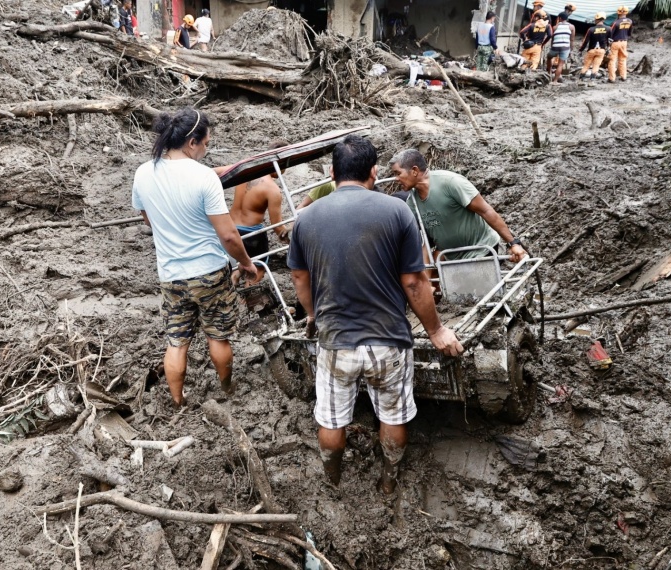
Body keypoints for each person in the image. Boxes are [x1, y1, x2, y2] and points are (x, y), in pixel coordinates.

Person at [288, 135, 464, 494]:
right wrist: (436, 331)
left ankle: (333, 478)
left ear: (333, 173)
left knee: (331, 418)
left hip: (336, 340)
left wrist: (311, 316)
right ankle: (389, 480)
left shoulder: (305, 219)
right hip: (388, 339)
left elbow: (298, 278)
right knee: (393, 414)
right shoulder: (396, 210)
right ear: (372, 172)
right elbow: (415, 282)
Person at [131, 108, 258, 406]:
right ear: (192, 143)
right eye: (206, 144)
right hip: (209, 272)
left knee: (176, 342)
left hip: (171, 274)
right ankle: (227, 388)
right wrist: (246, 263)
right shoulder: (203, 178)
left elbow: (148, 220)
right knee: (218, 337)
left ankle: (177, 400)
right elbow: (228, 235)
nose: (206, 149)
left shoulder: (143, 172)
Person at [388, 149, 528, 263]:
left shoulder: (450, 183)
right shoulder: (412, 201)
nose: (396, 179)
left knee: (476, 295)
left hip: (480, 249)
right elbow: (422, 239)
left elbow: (486, 211)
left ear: (414, 170)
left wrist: (513, 243)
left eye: (397, 173)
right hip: (451, 256)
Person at [218, 140, 293, 278]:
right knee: (256, 273)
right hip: (252, 237)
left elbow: (215, 171)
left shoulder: (244, 172)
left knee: (233, 270)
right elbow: (278, 228)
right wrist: (292, 238)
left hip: (231, 229)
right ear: (281, 162)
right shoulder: (273, 190)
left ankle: (237, 281)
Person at [579, 12, 611, 79]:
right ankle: (592, 81)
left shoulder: (591, 29)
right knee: (596, 66)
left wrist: (581, 50)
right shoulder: (608, 29)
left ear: (597, 19)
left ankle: (581, 80)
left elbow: (585, 41)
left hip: (591, 50)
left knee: (586, 65)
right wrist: (608, 48)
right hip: (601, 50)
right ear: (604, 20)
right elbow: (610, 40)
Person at [608, 6, 633, 83]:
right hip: (624, 42)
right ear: (626, 12)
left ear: (618, 12)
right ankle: (623, 76)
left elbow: (610, 34)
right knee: (623, 59)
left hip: (615, 43)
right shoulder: (630, 21)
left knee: (612, 60)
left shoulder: (616, 22)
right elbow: (629, 33)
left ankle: (612, 78)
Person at [548, 12, 575, 82]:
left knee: (549, 57)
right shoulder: (571, 27)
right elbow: (572, 39)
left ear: (559, 18)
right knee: (560, 64)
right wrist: (571, 50)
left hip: (555, 46)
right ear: (567, 18)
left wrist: (552, 47)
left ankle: (549, 73)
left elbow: (553, 39)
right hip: (565, 47)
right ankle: (555, 81)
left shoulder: (555, 27)